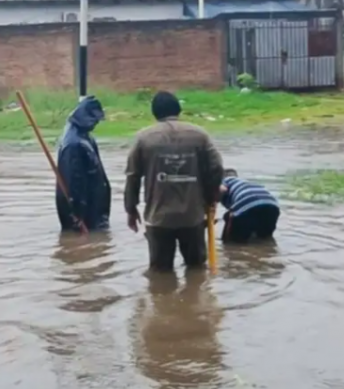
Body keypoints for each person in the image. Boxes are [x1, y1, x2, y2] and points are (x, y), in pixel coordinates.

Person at [124, 91, 224, 271]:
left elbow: (133, 176)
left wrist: (131, 209)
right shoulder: (200, 135)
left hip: (159, 217)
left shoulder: (143, 138)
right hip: (192, 216)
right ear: (178, 109)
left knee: (160, 273)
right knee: (196, 270)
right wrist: (210, 198)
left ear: (154, 113)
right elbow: (216, 168)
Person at [55, 96, 111, 231]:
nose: (96, 123)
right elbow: (73, 182)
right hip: (84, 211)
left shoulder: (84, 136)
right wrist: (78, 214)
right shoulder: (73, 144)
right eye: (94, 120)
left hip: (94, 206)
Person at [219, 169, 280, 243]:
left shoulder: (224, 180)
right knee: (264, 240)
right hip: (272, 204)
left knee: (232, 242)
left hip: (248, 203)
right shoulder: (245, 182)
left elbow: (222, 189)